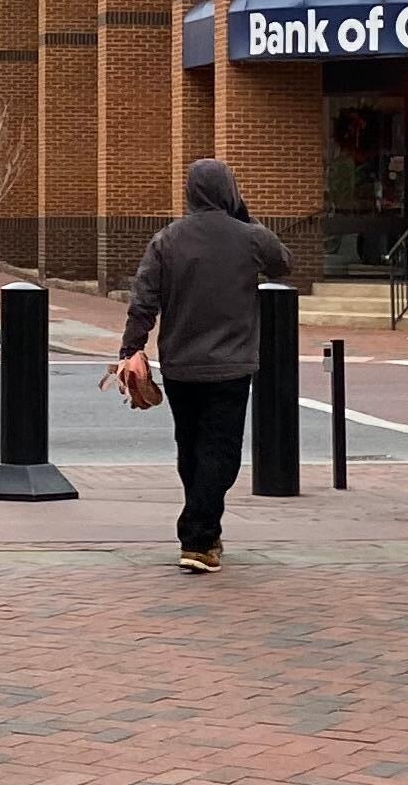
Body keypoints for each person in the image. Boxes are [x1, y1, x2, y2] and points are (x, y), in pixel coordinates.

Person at [117, 157, 294, 572]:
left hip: (180, 365)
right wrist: (244, 216)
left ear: (190, 193)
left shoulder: (166, 240)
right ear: (229, 191)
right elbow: (284, 262)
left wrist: (131, 348)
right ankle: (196, 538)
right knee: (221, 452)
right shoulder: (250, 238)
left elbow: (143, 302)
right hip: (231, 366)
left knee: (191, 448)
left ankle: (205, 533)